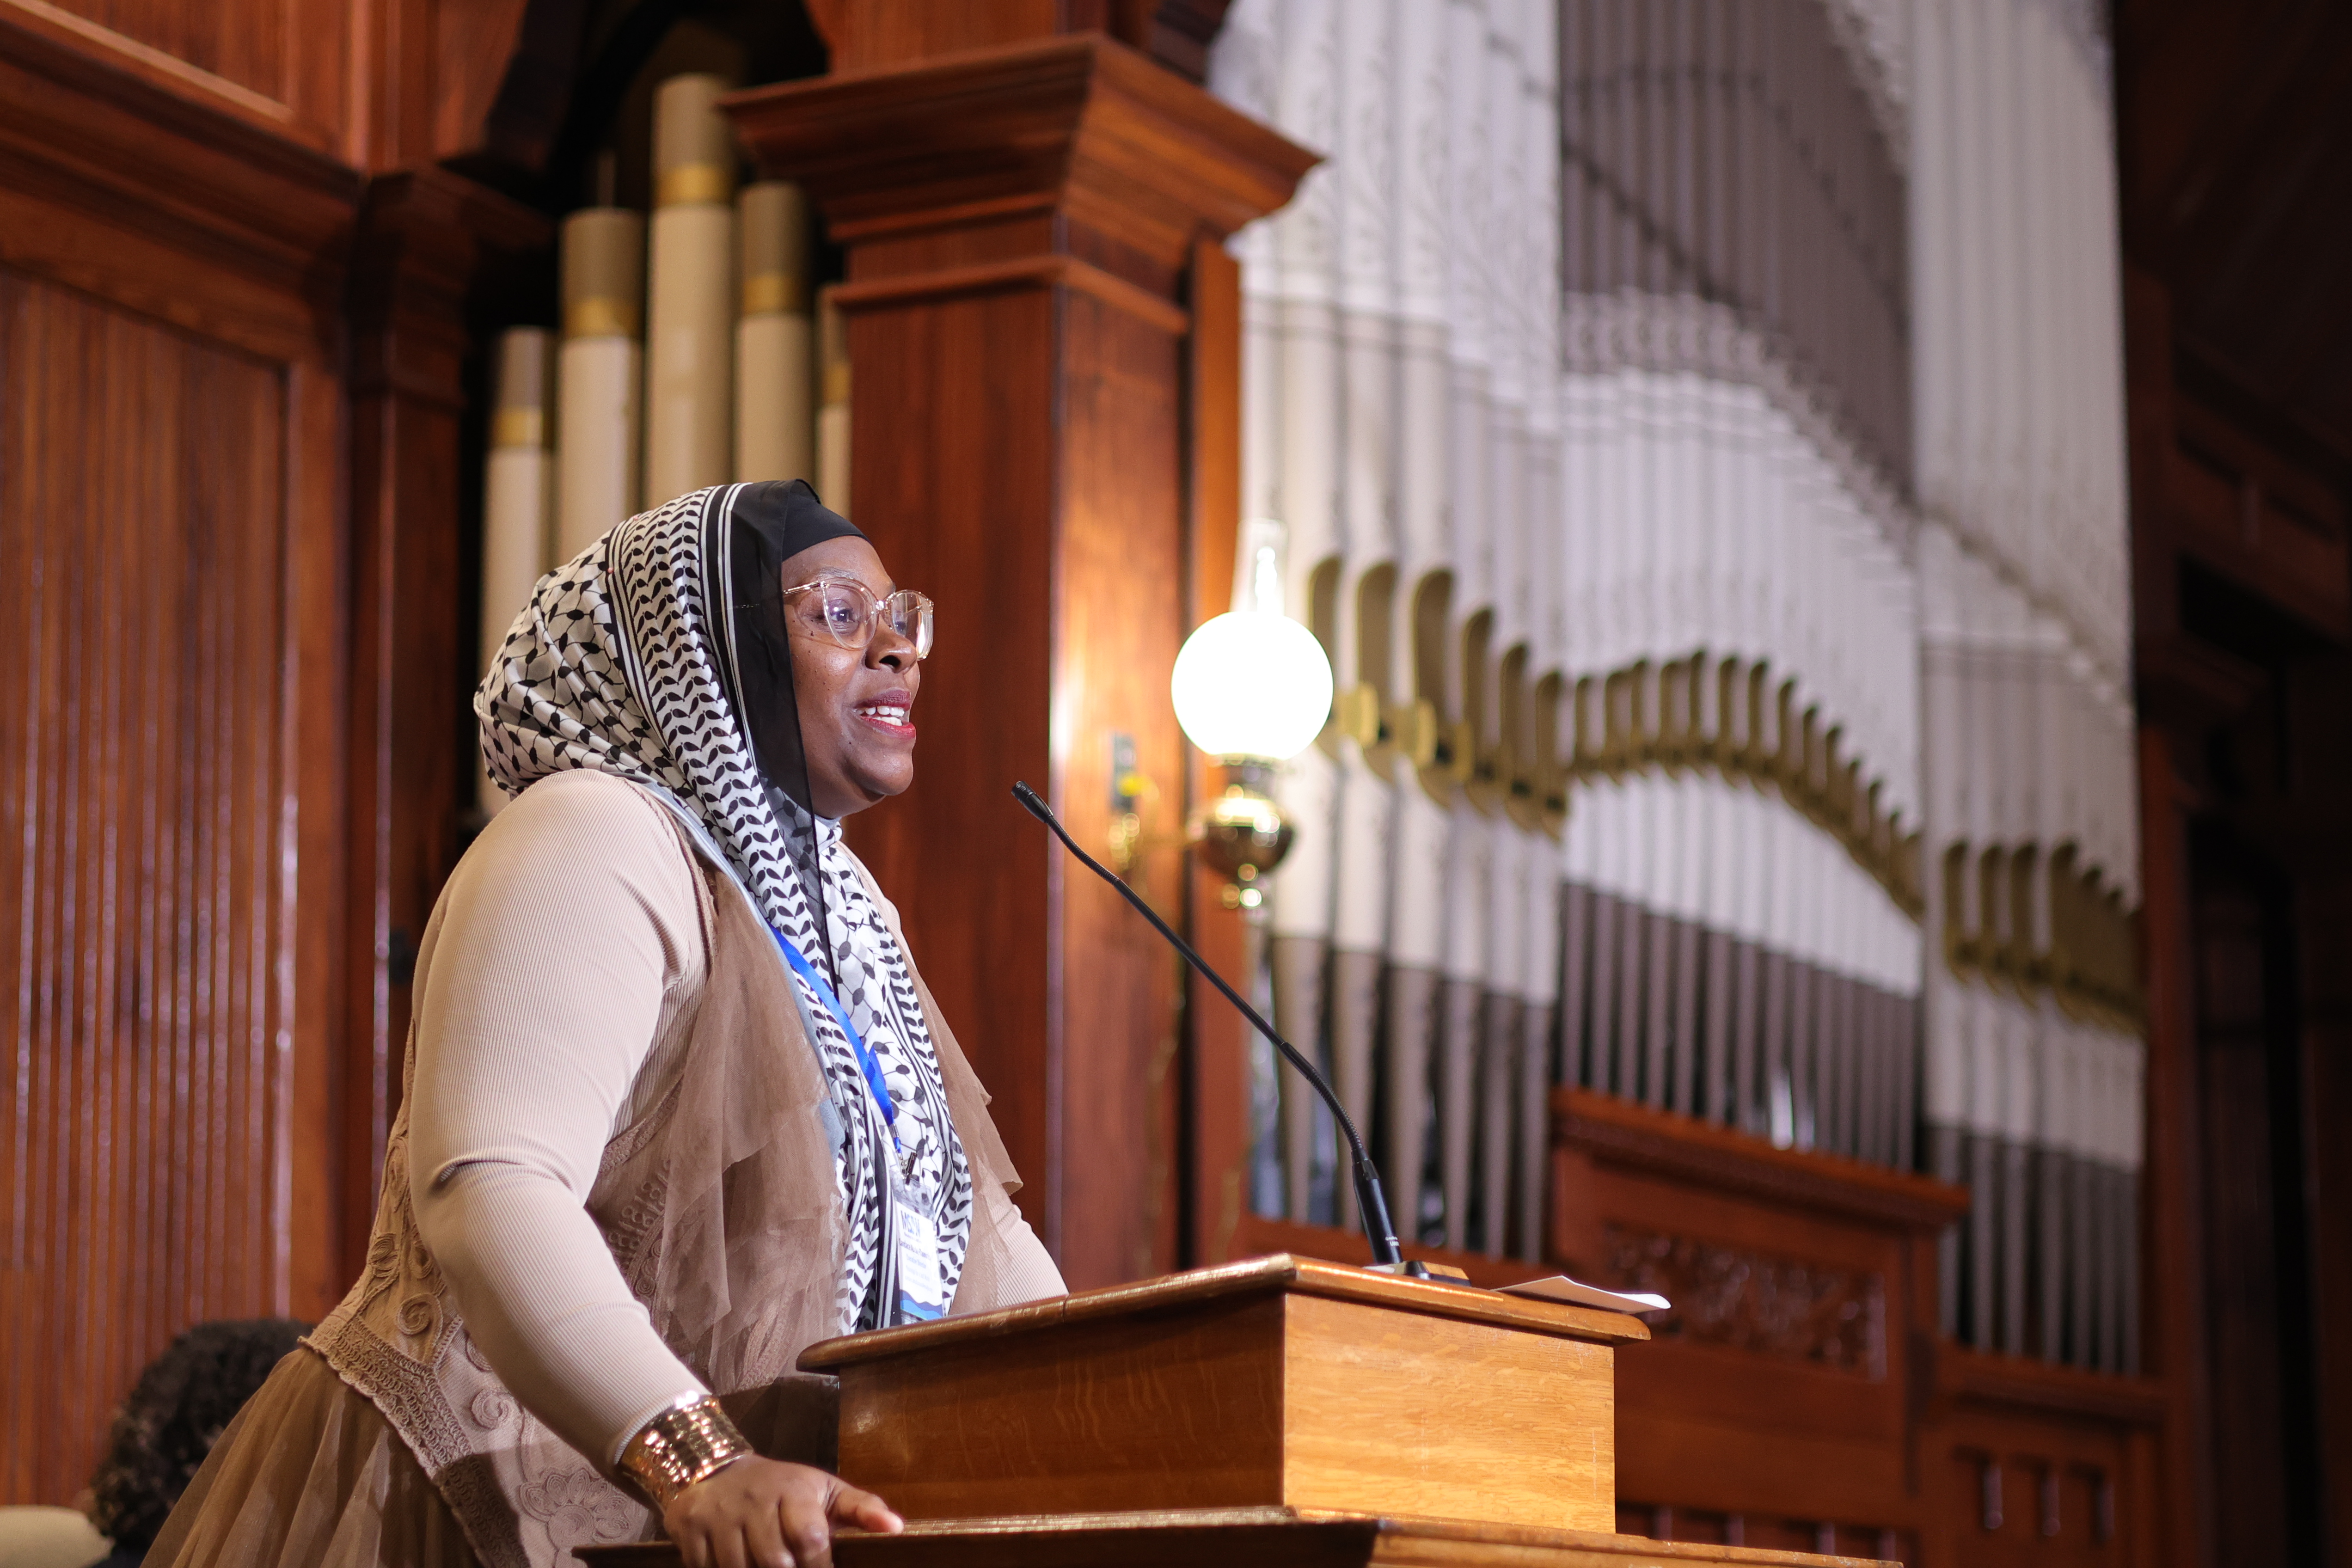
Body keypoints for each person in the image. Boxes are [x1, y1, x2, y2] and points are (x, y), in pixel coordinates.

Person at [148, 482, 1064, 1568]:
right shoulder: (597, 833)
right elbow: (493, 1181)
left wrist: (1121, 1412)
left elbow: (971, 1236)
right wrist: (695, 1457)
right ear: (703, 650)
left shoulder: (847, 920)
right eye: (838, 612)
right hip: (464, 1506)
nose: (898, 649)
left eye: (901, 617)